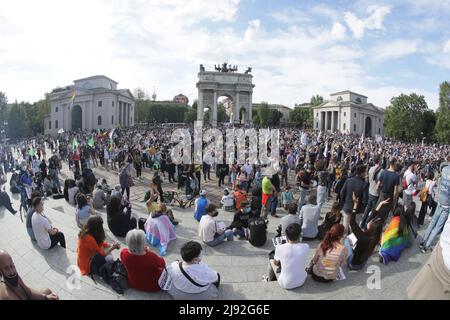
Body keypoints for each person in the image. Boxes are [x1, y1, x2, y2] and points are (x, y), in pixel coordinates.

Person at [407, 209, 450, 299]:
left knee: (434, 222)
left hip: (441, 255)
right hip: (443, 265)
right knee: (437, 226)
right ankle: (426, 246)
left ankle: (423, 242)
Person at [344, 194, 385, 270]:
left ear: (371, 227)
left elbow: (352, 221)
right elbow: (372, 216)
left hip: (353, 264)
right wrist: (380, 204)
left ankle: (347, 262)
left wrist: (355, 205)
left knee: (346, 239)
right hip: (362, 264)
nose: (369, 222)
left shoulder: (362, 236)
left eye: (371, 222)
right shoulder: (375, 238)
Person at [266, 223, 309, 289]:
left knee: (271, 260)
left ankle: (269, 279)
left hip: (285, 283)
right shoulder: (306, 246)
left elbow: (276, 263)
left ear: (286, 236)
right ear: (300, 235)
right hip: (301, 281)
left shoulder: (279, 248)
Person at [340, 164, 369, 235]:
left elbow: (342, 193)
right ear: (362, 173)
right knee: (354, 229)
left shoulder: (349, 180)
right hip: (358, 210)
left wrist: (345, 203)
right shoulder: (364, 184)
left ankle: (344, 242)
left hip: (347, 207)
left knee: (345, 228)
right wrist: (362, 208)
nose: (366, 173)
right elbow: (365, 200)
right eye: (365, 172)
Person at [373, 157, 400, 222]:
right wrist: (394, 202)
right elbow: (395, 192)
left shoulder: (383, 172)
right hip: (389, 197)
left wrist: (380, 193)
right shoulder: (396, 176)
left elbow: (377, 187)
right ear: (394, 164)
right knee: (384, 216)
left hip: (382, 195)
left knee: (377, 213)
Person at [360, 155, 382, 229]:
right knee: (373, 211)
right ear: (378, 161)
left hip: (370, 191)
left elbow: (369, 180)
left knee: (367, 208)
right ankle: (367, 226)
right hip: (376, 193)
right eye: (381, 159)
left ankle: (362, 223)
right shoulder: (381, 171)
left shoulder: (371, 169)